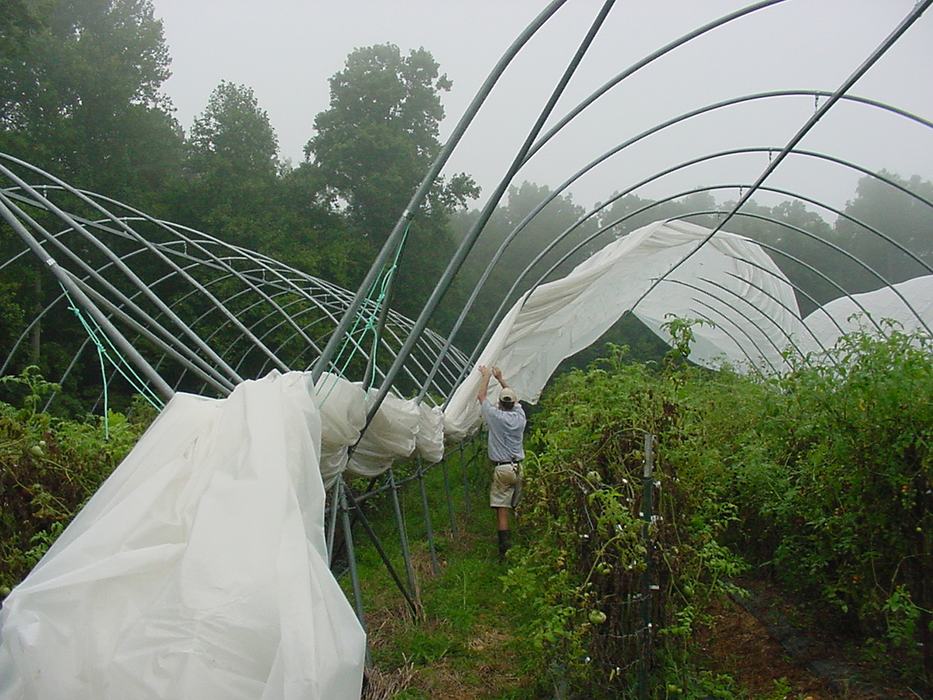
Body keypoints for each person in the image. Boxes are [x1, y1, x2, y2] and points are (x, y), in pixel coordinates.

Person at [477, 364, 526, 561]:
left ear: (499, 403)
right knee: (519, 505)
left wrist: (486, 376)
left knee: (502, 510)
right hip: (519, 467)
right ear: (513, 403)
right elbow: (515, 399)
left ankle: (504, 552)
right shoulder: (520, 417)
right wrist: (501, 378)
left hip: (502, 469)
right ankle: (526, 541)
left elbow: (481, 397)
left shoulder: (495, 416)